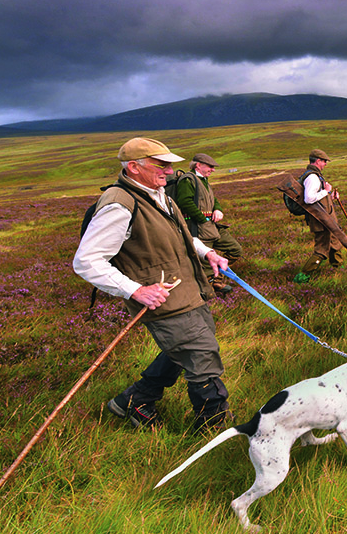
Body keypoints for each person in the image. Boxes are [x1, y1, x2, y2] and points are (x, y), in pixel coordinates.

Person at [73, 137, 232, 430]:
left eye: (170, 165)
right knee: (202, 357)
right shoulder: (119, 205)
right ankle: (214, 430)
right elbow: (87, 260)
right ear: (133, 167)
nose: (170, 171)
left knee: (183, 348)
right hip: (162, 300)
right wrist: (137, 291)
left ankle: (135, 401)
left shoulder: (161, 196)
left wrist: (207, 252)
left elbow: (184, 236)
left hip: (190, 290)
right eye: (161, 165)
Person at [173, 153, 242, 296]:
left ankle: (218, 278)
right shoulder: (188, 180)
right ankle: (210, 293)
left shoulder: (204, 180)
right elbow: (184, 202)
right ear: (198, 165)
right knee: (205, 264)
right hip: (198, 228)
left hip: (210, 225)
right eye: (210, 166)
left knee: (235, 249)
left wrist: (218, 209)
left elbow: (213, 199)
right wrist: (202, 219)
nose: (213, 170)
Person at [294, 149, 346, 282]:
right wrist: (327, 192)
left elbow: (319, 198)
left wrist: (330, 196)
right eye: (324, 161)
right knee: (322, 250)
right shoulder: (312, 178)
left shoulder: (315, 175)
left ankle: (338, 269)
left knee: (335, 242)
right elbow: (309, 199)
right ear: (318, 161)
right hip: (321, 220)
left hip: (325, 218)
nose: (325, 164)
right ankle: (303, 276)